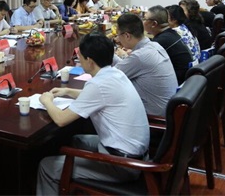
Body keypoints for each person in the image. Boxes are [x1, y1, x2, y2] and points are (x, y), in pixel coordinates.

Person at [36, 32, 149, 195]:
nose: (79, 60)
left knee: (47, 166)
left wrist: (46, 101)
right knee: (75, 140)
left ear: (89, 60)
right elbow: (98, 96)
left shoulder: (98, 84)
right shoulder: (116, 73)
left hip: (122, 165)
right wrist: (67, 91)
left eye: (80, 57)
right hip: (135, 154)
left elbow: (61, 119)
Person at [113, 14, 178, 116]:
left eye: (118, 35)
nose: (117, 39)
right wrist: (111, 54)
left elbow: (110, 77)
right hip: (168, 110)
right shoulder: (155, 45)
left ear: (127, 36)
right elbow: (125, 66)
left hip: (154, 116)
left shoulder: (139, 56)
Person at [143, 5, 194, 84]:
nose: (143, 22)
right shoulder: (170, 34)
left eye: (145, 19)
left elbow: (143, 63)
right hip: (187, 80)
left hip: (178, 83)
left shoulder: (161, 41)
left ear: (154, 24)